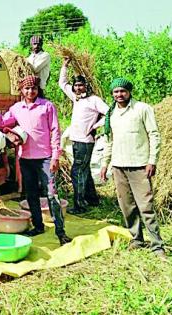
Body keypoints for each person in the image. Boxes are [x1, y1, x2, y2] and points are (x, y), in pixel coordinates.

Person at [0, 75, 72, 245]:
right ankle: (38, 226)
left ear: (38, 89)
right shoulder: (16, 108)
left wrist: (55, 156)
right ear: (21, 90)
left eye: (33, 88)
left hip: (45, 158)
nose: (30, 91)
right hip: (25, 159)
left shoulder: (47, 106)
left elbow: (55, 131)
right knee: (31, 195)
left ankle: (60, 231)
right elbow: (2, 122)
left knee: (52, 195)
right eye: (27, 88)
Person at [100, 78, 167, 261]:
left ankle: (157, 245)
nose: (119, 95)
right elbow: (109, 141)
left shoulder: (142, 109)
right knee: (127, 206)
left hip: (139, 165)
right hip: (118, 165)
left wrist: (152, 161)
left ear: (129, 92)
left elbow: (154, 135)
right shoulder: (111, 114)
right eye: (115, 92)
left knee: (146, 206)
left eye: (122, 91)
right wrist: (105, 164)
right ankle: (136, 239)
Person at [59, 57, 109, 214]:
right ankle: (92, 199)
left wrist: (95, 126)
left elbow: (109, 113)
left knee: (77, 171)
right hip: (76, 140)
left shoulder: (94, 100)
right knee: (84, 169)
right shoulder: (76, 99)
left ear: (86, 86)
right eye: (76, 85)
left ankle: (80, 205)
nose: (78, 88)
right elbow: (62, 84)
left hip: (85, 141)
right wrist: (64, 66)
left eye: (81, 85)